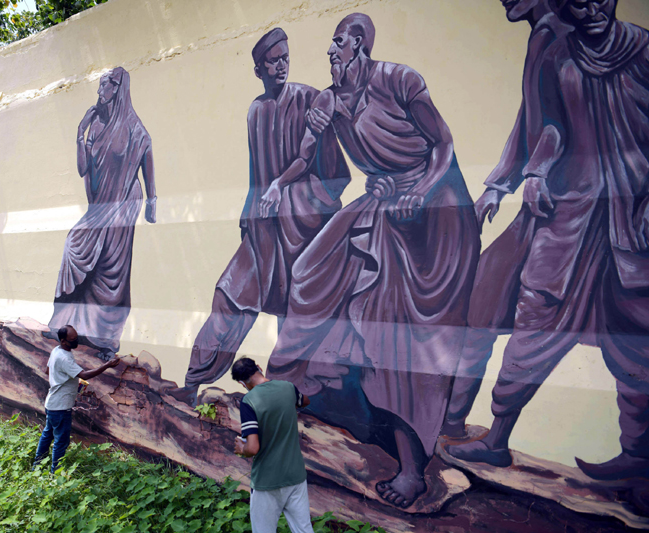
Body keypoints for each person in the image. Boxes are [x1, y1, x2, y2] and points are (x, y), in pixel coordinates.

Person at [266, 13, 480, 508]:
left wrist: (423, 189)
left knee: (394, 339)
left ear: (358, 44)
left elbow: (444, 144)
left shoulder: (400, 80)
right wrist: (287, 172)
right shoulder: (329, 99)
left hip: (437, 214)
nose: (330, 51)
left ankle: (413, 471)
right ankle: (293, 390)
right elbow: (305, 158)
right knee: (309, 272)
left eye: (337, 42)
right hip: (383, 205)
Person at [448, 0, 649, 481]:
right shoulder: (556, 48)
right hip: (570, 214)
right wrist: (526, 175)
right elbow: (545, 123)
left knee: (635, 341)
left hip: (633, 219)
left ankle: (638, 459)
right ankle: (497, 439)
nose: (592, 7)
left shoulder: (643, 50)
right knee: (534, 320)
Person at [172, 28, 350, 406]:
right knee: (228, 297)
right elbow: (258, 173)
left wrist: (290, 195)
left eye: (285, 57)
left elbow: (337, 176)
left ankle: (295, 400)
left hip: (305, 229)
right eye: (273, 61)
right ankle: (191, 382)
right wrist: (248, 210)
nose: (281, 65)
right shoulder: (255, 111)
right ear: (259, 70)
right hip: (264, 228)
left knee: (297, 317)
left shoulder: (310, 99)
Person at [442, 0, 572, 439]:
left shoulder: (569, 37)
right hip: (535, 211)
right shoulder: (542, 37)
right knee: (480, 308)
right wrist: (498, 186)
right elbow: (530, 120)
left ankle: (485, 434)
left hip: (571, 214)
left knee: (525, 326)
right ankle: (452, 422)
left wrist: (537, 173)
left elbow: (558, 127)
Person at [47, 67, 156, 359]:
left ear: (117, 88)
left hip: (124, 203)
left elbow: (146, 153)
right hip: (100, 205)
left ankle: (106, 341)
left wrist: (152, 200)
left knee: (111, 271)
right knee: (74, 245)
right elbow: (84, 168)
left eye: (104, 86)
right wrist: (79, 134)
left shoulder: (133, 126)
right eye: (99, 86)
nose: (99, 91)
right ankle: (66, 326)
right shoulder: (94, 123)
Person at [232, 357, 313, 533]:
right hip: (295, 475)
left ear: (242, 382)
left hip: (267, 481)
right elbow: (305, 401)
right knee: (304, 529)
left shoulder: (249, 401)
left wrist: (241, 449)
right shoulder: (287, 388)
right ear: (259, 368)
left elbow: (252, 448)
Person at [33, 325, 120, 472]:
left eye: (76, 337)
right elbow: (84, 375)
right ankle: (56, 473)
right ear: (63, 340)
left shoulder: (57, 351)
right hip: (61, 407)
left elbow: (48, 371)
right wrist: (107, 365)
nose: (76, 341)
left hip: (52, 403)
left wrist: (68, 381)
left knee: (47, 435)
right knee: (61, 442)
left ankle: (37, 465)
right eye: (73, 339)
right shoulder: (64, 358)